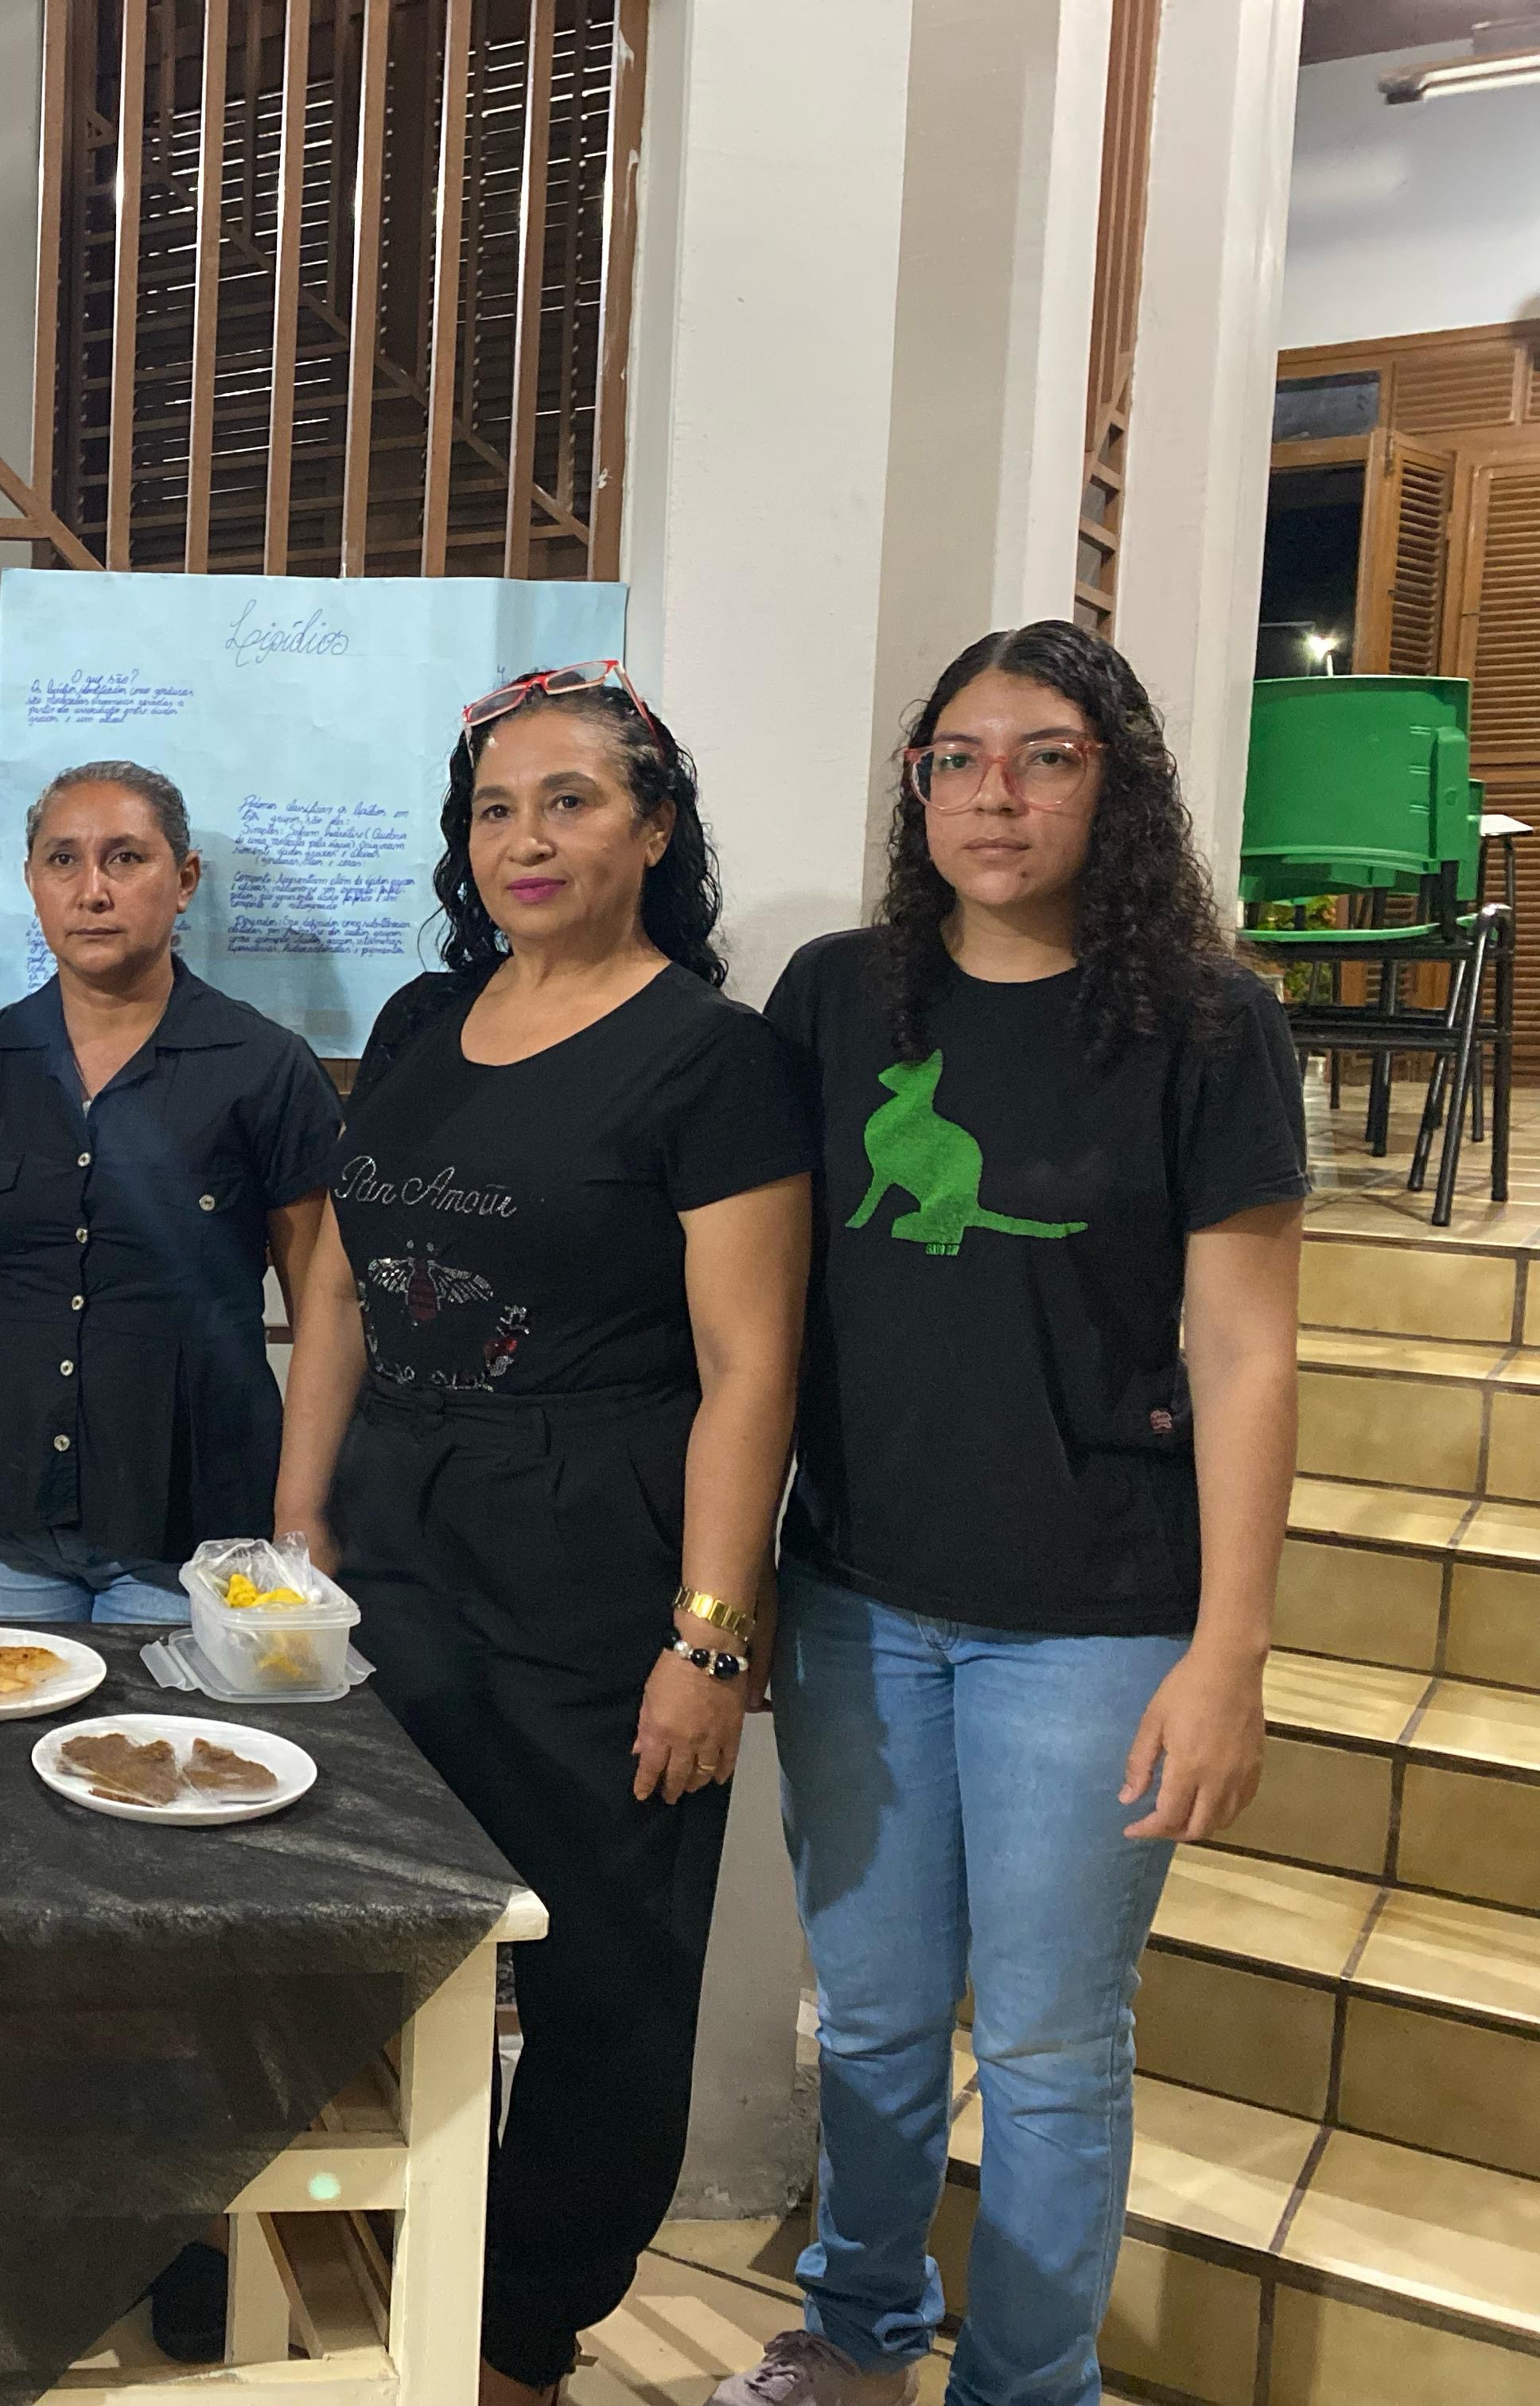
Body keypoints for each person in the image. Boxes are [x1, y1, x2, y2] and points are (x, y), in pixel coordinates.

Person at [712, 625, 1302, 2406]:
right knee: (874, 2015)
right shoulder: (838, 996)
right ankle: (857, 2332)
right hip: (855, 1598)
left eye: (1045, 755)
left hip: (1097, 1615)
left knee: (1046, 2044)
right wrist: (732, 1584)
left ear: (1116, 784)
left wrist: (1230, 1650)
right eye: (955, 758)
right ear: (917, 789)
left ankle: (1028, 2387)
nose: (995, 794)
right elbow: (759, 1306)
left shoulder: (1208, 1020)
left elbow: (1246, 1349)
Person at [272, 665, 811, 2405]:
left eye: (570, 799)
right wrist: (298, 1517)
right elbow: (337, 1285)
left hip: (599, 1555)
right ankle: (359, 2282)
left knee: (604, 1981)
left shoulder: (715, 1061)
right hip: (394, 1536)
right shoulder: (423, 1023)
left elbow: (748, 1370)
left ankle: (518, 2342)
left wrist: (709, 1634)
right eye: (495, 807)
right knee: (361, 1928)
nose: (526, 837)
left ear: (654, 827)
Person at [0, 759, 344, 1626]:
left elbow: (327, 1311)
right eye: (63, 860)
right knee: (3, 1720)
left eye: (126, 858)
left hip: (193, 1534)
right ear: (31, 881)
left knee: (163, 1725)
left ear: (185, 879)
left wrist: (300, 1520)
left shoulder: (264, 1068)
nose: (92, 891)